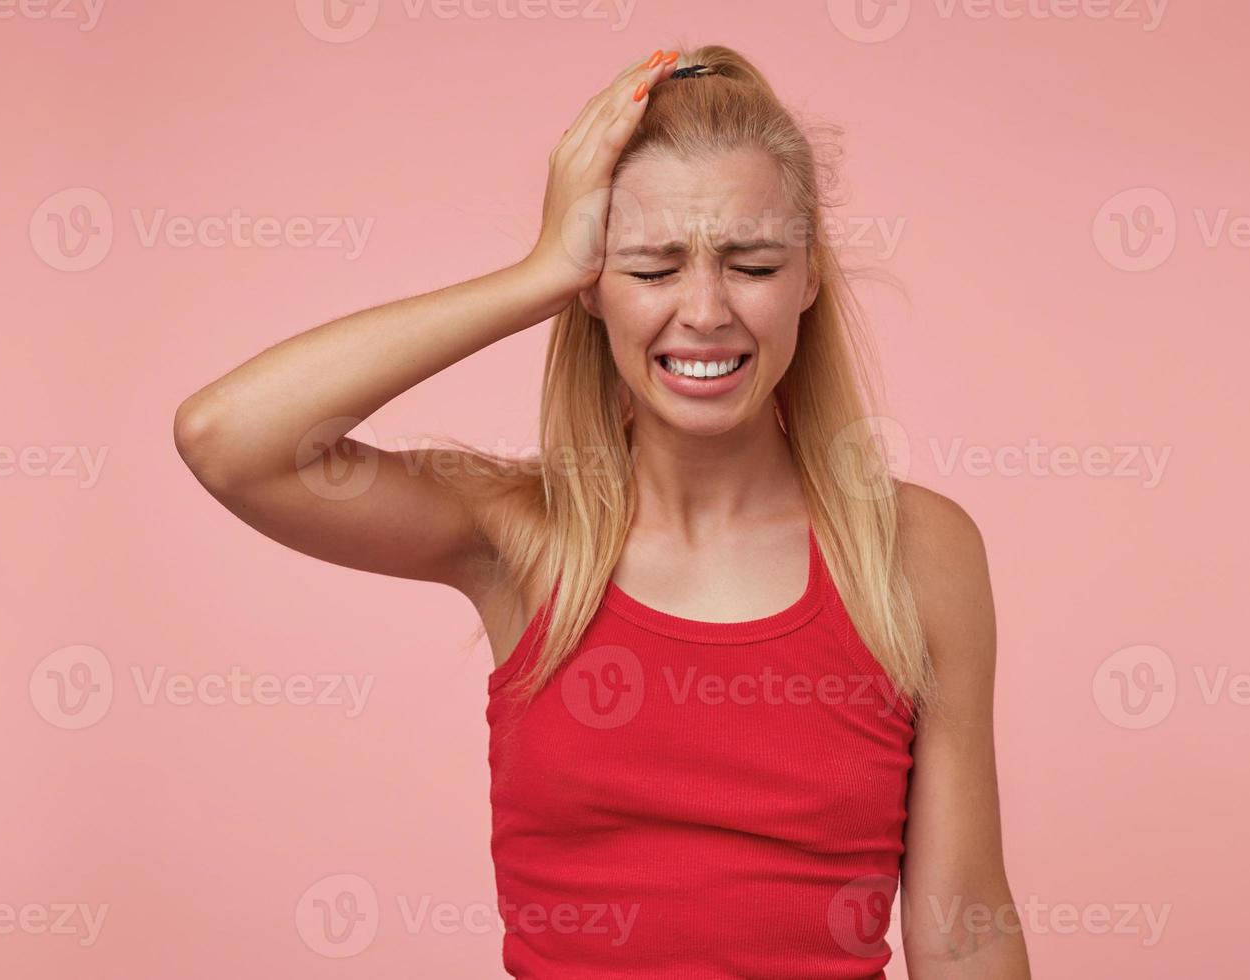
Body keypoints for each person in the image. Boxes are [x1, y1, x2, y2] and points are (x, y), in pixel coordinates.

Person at [173, 42, 1029, 980]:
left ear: (809, 280)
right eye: (653, 269)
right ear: (594, 288)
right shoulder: (520, 535)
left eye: (750, 263)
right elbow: (229, 440)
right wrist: (538, 274)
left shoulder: (916, 550)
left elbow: (964, 932)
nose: (704, 311)